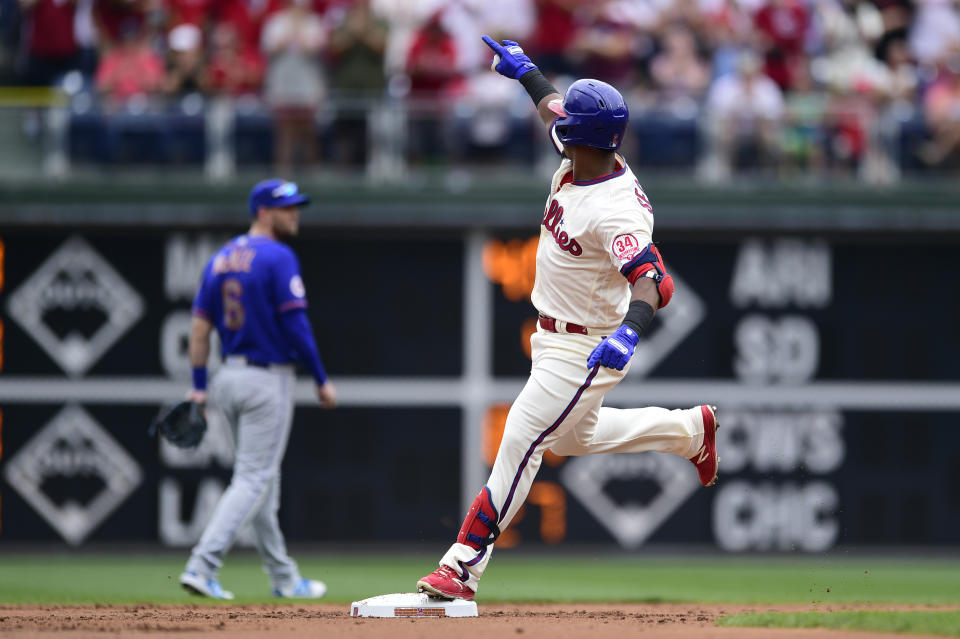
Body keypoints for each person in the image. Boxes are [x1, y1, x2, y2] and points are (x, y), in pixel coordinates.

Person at [416, 37, 719, 602]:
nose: (558, 123)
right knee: (574, 438)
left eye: (568, 122)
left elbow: (653, 279)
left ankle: (461, 567)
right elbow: (552, 106)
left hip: (589, 343)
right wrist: (527, 70)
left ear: (579, 136)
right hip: (554, 333)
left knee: (522, 440)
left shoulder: (615, 209)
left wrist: (631, 333)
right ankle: (689, 430)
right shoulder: (584, 150)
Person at [179, 179, 337, 600]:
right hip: (267, 380)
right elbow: (296, 326)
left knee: (262, 481)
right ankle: (202, 564)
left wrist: (198, 389)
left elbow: (198, 330)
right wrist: (320, 378)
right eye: (287, 208)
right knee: (252, 478)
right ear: (263, 212)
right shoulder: (277, 256)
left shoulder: (221, 259)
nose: (295, 214)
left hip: (227, 377)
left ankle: (284, 578)